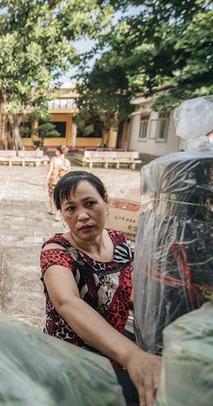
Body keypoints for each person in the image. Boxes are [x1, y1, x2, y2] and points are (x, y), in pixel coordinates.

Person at [40, 171, 161, 406]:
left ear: (106, 201)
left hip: (113, 356)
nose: (82, 216)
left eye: (89, 203)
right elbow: (67, 303)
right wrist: (133, 355)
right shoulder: (56, 252)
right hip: (69, 364)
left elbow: (128, 292)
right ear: (63, 214)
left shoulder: (119, 241)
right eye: (70, 209)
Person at [45, 145, 71, 216]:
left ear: (59, 152)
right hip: (63, 182)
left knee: (52, 196)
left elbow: (50, 171)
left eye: (56, 150)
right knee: (61, 197)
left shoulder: (54, 159)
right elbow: (69, 173)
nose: (55, 152)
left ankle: (51, 210)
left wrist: (46, 179)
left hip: (54, 181)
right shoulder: (67, 162)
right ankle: (58, 214)